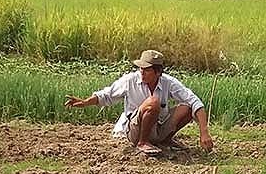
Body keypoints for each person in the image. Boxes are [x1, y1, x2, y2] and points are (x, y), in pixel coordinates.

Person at [64, 49, 213, 155]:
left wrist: (204, 132)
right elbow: (107, 95)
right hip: (135, 129)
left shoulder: (168, 82)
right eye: (141, 69)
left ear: (158, 72)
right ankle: (142, 142)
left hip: (158, 126)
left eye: (146, 70)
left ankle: (164, 140)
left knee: (187, 108)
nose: (142, 72)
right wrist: (85, 102)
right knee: (153, 102)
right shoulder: (130, 80)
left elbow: (195, 101)